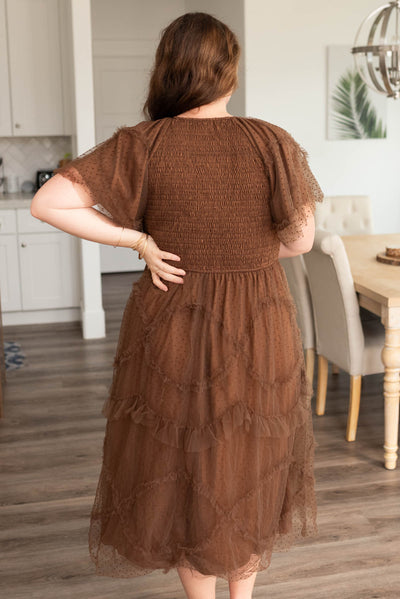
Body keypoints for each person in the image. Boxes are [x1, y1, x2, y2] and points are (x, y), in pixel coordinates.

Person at [30, 11, 323, 599]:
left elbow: (48, 203)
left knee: (187, 469)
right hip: (260, 319)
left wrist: (138, 240)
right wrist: (245, 247)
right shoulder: (271, 141)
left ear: (167, 70)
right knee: (249, 461)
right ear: (230, 74)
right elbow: (301, 241)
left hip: (174, 320)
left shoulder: (144, 143)